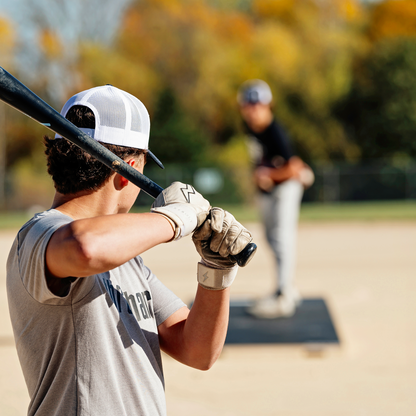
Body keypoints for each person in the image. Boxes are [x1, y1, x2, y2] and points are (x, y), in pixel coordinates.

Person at [6, 85, 253, 416]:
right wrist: (177, 218)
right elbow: (85, 247)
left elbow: (197, 351)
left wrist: (216, 269)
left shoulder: (124, 256)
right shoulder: (39, 235)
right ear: (129, 171)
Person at [237, 79, 314, 319]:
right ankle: (288, 287)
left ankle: (284, 296)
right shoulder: (249, 127)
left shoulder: (274, 130)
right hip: (270, 191)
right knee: (272, 238)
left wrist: (270, 174)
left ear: (268, 105)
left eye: (257, 105)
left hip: (286, 188)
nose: (253, 110)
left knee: (282, 238)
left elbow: (294, 168)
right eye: (248, 105)